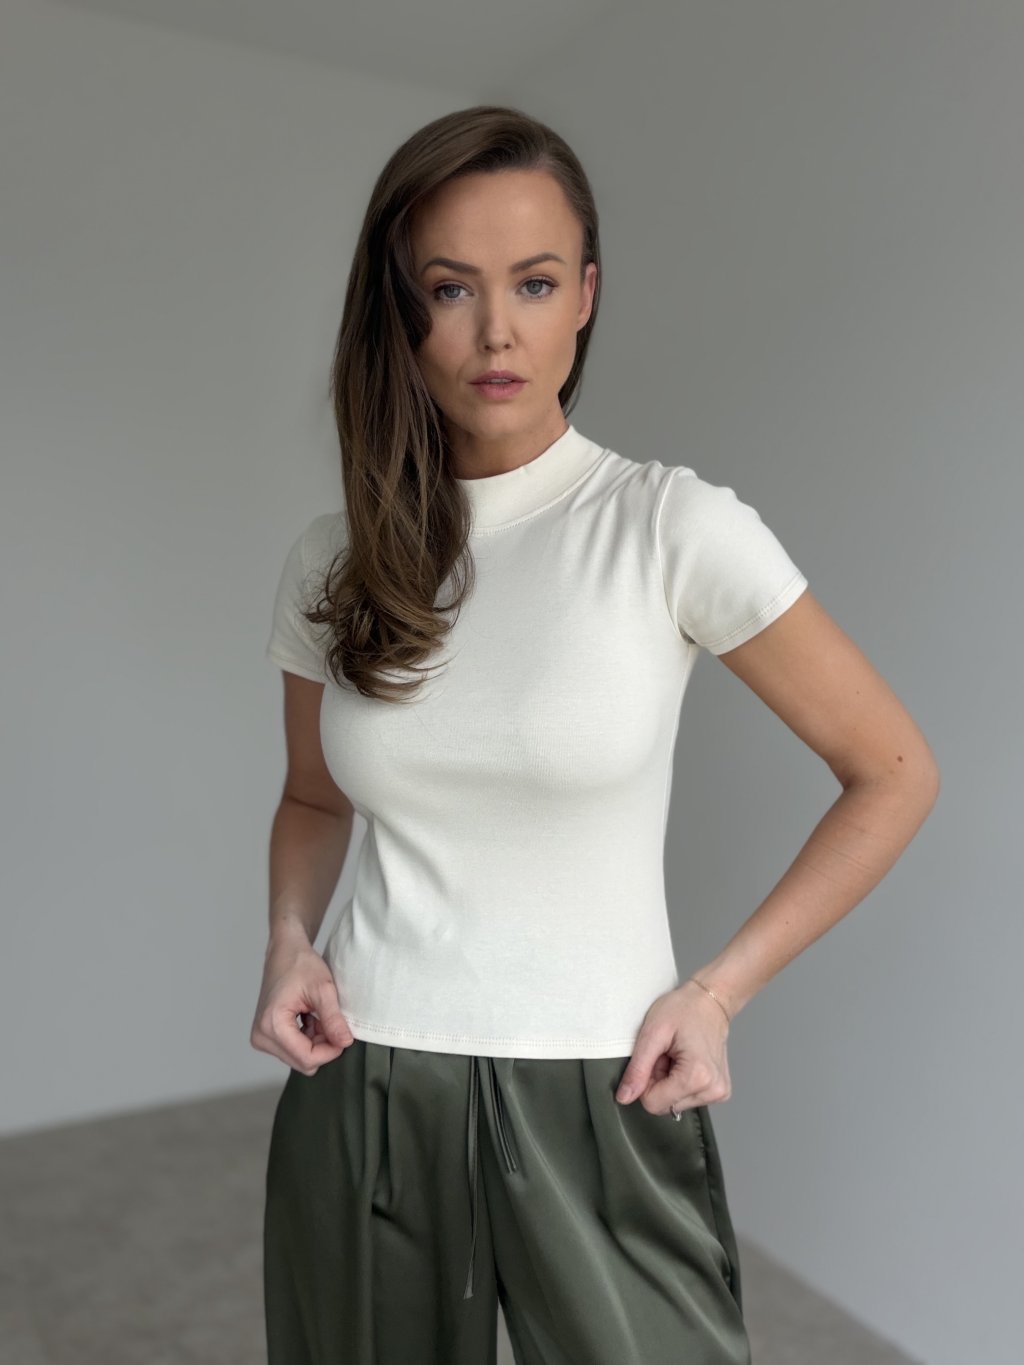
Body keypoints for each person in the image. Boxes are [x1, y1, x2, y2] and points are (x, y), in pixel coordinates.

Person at [251, 105, 940, 1365]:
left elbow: (890, 773)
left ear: (586, 294)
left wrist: (717, 994)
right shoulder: (332, 558)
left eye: (533, 282)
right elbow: (313, 798)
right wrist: (290, 942)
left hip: (600, 1077)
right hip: (368, 1070)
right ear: (398, 309)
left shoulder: (670, 527)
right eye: (449, 288)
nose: (495, 332)